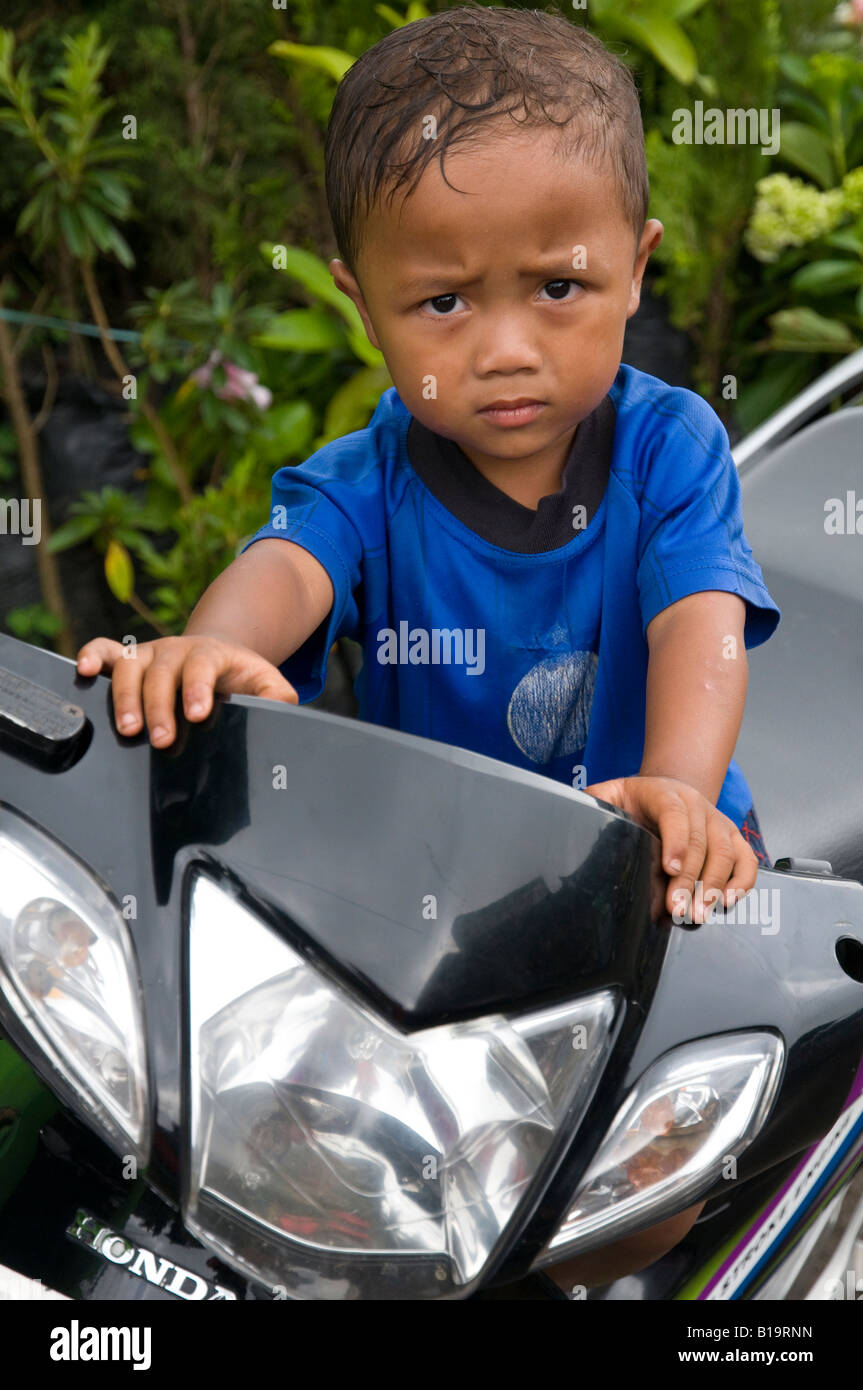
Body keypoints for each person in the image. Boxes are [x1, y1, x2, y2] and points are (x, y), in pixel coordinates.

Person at [76, 5, 780, 1294]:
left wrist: (679, 783)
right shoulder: (366, 481)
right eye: (443, 301)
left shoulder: (671, 449)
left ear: (637, 265)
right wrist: (211, 650)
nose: (505, 350)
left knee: (630, 1208)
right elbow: (289, 570)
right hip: (433, 900)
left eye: (558, 288)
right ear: (362, 303)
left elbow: (703, 619)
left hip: (656, 885)